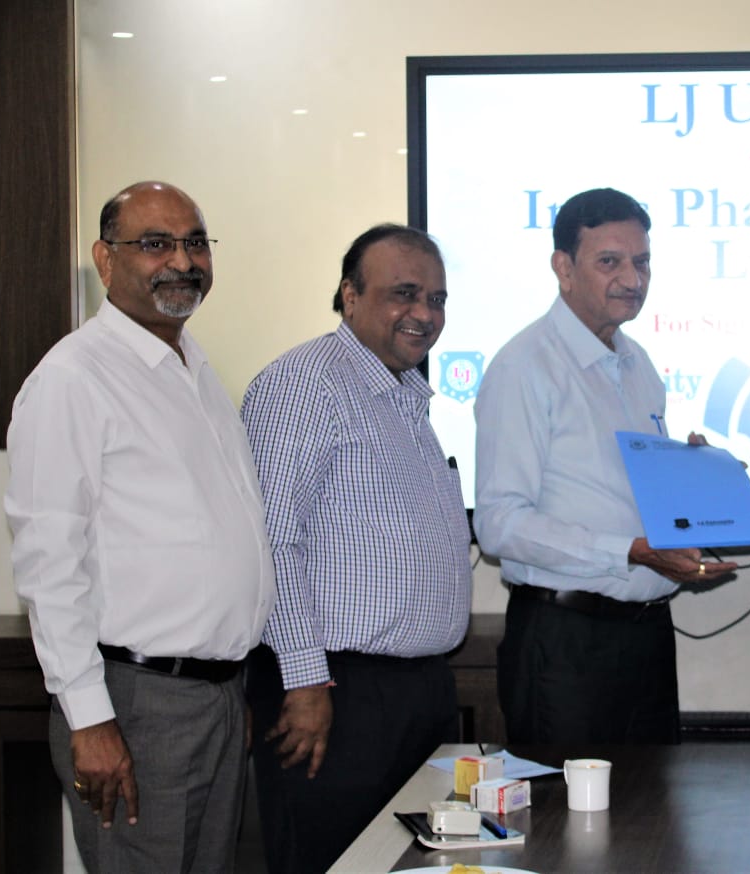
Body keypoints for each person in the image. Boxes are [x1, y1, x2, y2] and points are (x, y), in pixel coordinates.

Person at [4, 181, 276, 872]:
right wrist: (90, 719)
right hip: (135, 704)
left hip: (215, 697)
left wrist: (227, 684)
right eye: (155, 243)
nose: (181, 261)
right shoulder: (74, 378)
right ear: (105, 259)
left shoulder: (195, 370)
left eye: (195, 243)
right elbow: (49, 563)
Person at [241, 224, 473, 874]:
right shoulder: (305, 384)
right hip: (334, 694)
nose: (424, 313)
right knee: (333, 863)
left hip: (415, 692)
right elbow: (272, 540)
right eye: (404, 293)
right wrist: (306, 680)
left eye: (436, 298)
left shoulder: (403, 396)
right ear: (350, 295)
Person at [474, 187, 735, 745]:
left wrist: (695, 481)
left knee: (654, 800)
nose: (632, 279)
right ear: (563, 268)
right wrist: (627, 551)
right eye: (610, 262)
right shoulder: (525, 366)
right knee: (564, 803)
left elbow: (624, 498)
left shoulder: (638, 364)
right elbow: (498, 523)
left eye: (642, 262)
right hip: (565, 641)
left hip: (646, 636)